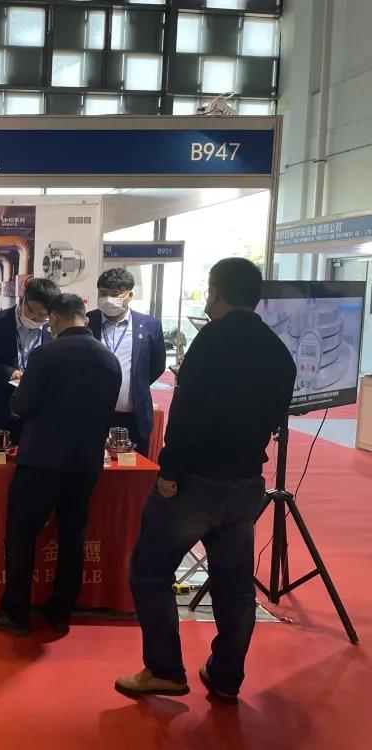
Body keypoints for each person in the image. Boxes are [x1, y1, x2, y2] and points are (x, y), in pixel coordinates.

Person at [115, 258, 296, 702]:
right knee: (235, 586)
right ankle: (226, 675)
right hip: (245, 482)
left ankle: (164, 669)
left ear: (216, 292)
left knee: (149, 570)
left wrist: (169, 470)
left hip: (195, 482)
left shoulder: (212, 341)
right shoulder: (277, 349)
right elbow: (277, 414)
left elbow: (189, 413)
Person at [0, 294, 122, 636]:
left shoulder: (46, 354)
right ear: (85, 318)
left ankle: (16, 612)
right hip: (85, 462)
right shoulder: (109, 359)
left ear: (55, 320)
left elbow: (23, 404)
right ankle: (60, 611)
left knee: (22, 533)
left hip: (42, 461)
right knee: (73, 535)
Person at [0, 278, 59, 442]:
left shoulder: (54, 331)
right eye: (34, 312)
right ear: (22, 300)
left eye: (44, 316)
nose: (38, 319)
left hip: (35, 420)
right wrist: (8, 373)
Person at [87, 268, 166, 457]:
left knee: (133, 470)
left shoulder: (150, 325)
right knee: (95, 470)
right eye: (103, 293)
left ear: (130, 295)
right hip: (94, 416)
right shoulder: (88, 322)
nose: (108, 299)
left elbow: (157, 365)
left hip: (134, 417)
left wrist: (136, 383)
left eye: (115, 294)